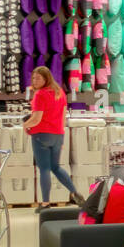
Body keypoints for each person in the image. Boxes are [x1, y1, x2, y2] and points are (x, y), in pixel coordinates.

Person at [23, 66, 83, 211]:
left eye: (38, 78)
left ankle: (45, 203)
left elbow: (37, 118)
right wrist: (61, 135)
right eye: (33, 78)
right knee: (55, 167)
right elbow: (63, 116)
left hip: (41, 135)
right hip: (57, 135)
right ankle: (74, 192)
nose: (34, 81)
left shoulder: (40, 95)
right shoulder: (60, 92)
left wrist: (25, 124)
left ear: (46, 78)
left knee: (44, 169)